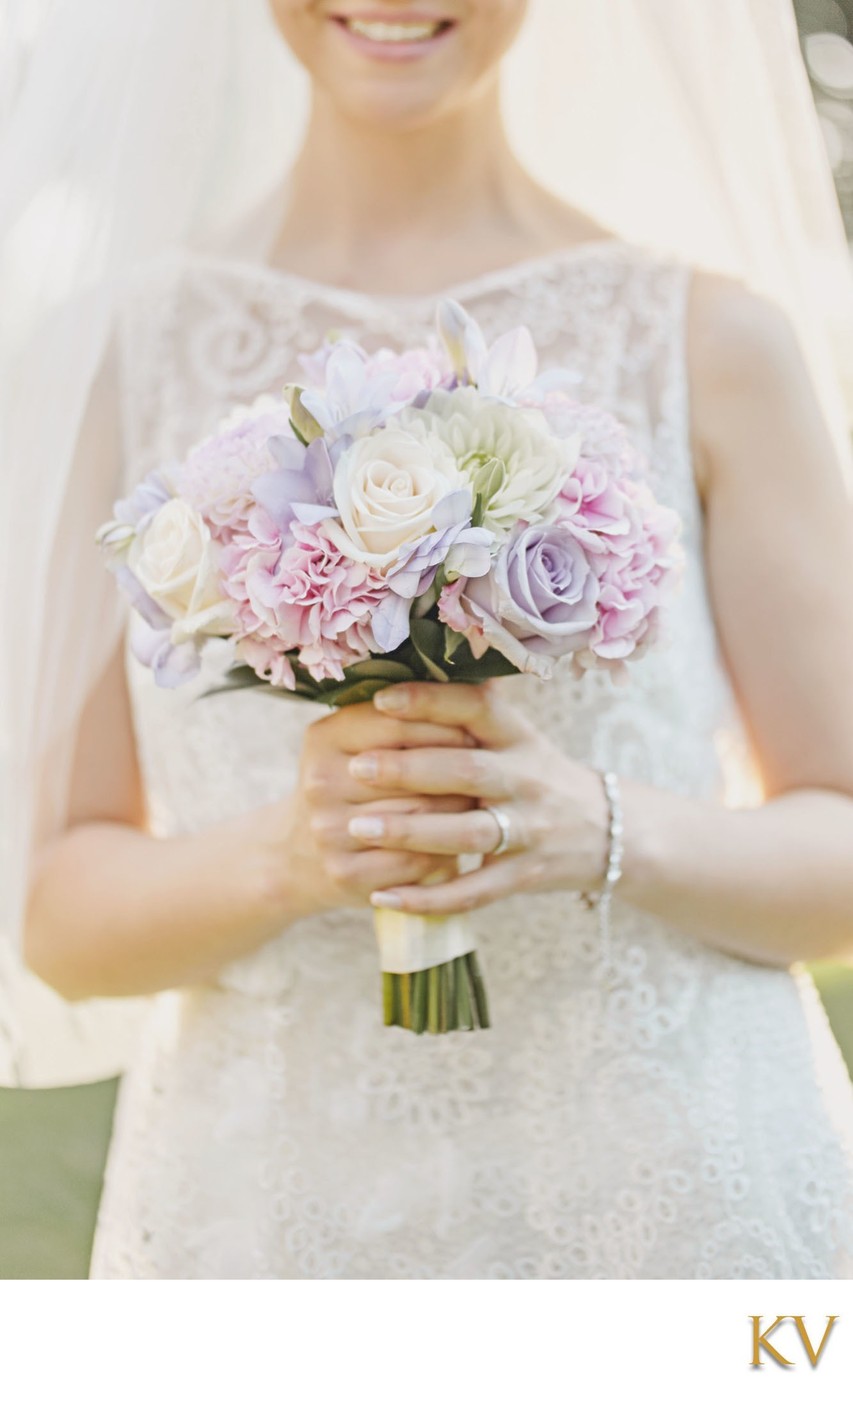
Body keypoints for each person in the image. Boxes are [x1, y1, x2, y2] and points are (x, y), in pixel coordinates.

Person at [5, 0, 853, 1277]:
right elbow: (60, 912)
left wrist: (602, 825)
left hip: (668, 1203)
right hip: (268, 1212)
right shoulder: (127, 358)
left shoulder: (710, 340)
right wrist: (292, 856)